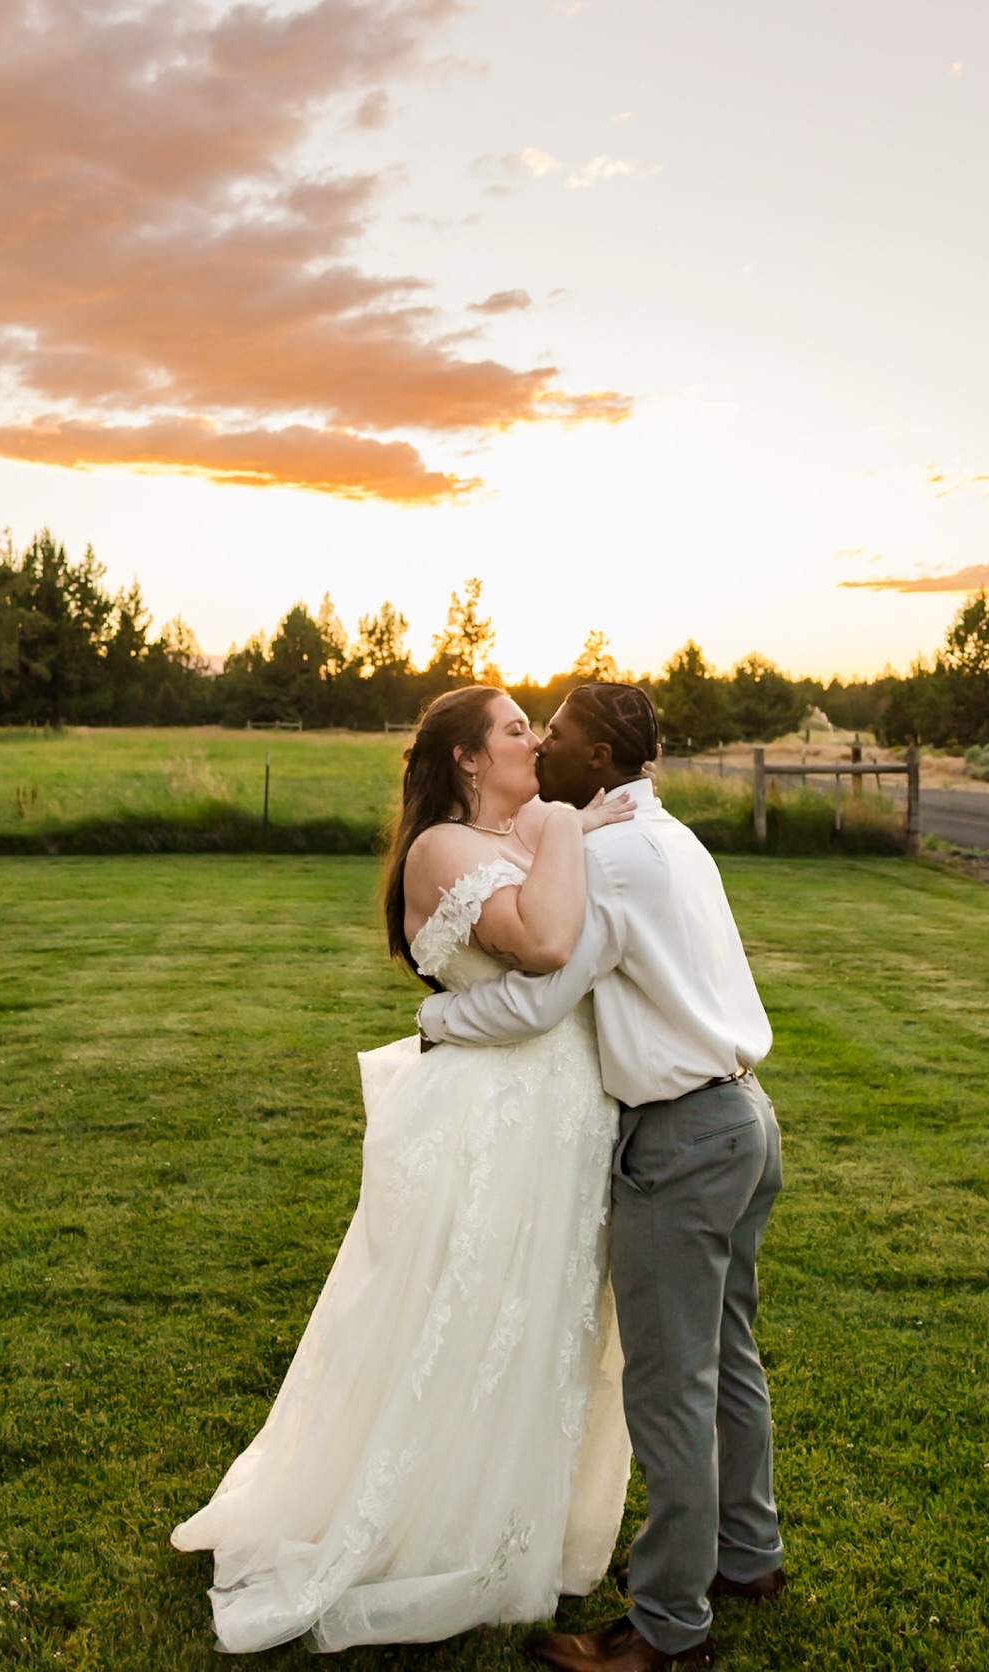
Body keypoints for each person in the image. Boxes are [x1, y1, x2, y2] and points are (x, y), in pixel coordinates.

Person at [171, 684, 634, 1653]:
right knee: (471, 1316)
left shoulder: (527, 838)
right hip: (497, 1118)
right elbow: (547, 945)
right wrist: (566, 826)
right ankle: (428, 1528)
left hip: (565, 1113)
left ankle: (520, 1523)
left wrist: (568, 830)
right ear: (466, 759)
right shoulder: (445, 849)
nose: (535, 744)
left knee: (548, 1321)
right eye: (515, 731)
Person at [417, 683, 785, 1672]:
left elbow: (540, 1001)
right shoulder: (673, 838)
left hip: (684, 1140)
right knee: (728, 1356)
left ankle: (668, 1628)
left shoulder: (612, 862)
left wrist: (438, 1022)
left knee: (671, 1385)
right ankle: (748, 1555)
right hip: (748, 1116)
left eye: (563, 736)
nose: (545, 743)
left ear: (603, 756)